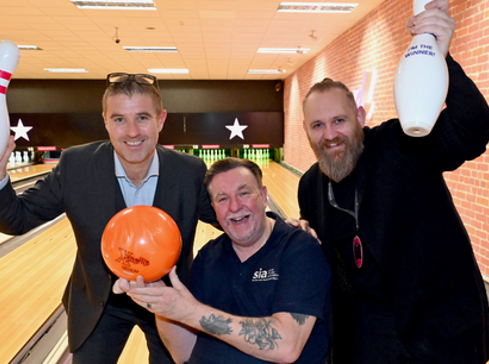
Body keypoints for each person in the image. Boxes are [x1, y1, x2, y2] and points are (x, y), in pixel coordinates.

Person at [290, 0, 489, 363]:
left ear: (360, 117)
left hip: (440, 326)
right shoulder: (310, 187)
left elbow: (472, 127)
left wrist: (443, 58)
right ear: (306, 131)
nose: (330, 135)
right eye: (318, 126)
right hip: (369, 332)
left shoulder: (400, 145)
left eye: (339, 121)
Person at [0, 73, 217, 364]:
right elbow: (18, 219)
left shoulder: (189, 171)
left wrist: (277, 225)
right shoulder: (76, 166)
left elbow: (233, 219)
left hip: (169, 300)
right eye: (119, 119)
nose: (132, 131)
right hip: (101, 301)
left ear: (161, 120)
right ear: (105, 121)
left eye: (142, 117)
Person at [114, 157, 332, 364]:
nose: (235, 207)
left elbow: (287, 346)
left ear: (264, 196)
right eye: (222, 199)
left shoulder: (299, 248)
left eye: (244, 193)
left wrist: (190, 311)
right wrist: (162, 302)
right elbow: (182, 353)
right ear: (214, 208)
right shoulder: (208, 256)